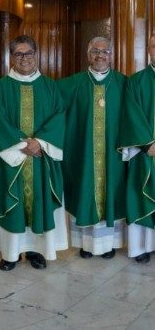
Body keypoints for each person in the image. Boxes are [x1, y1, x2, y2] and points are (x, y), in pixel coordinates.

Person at [0, 35, 67, 271]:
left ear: (36, 54)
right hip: (13, 159)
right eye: (19, 54)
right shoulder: (1, 87)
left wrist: (40, 143)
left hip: (41, 158)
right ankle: (10, 254)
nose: (24, 58)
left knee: (39, 203)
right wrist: (24, 145)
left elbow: (59, 116)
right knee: (13, 204)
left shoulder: (50, 86)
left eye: (29, 53)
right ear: (11, 57)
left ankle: (36, 251)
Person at [59, 36, 126, 260]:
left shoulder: (123, 83)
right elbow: (52, 105)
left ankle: (111, 244)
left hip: (113, 154)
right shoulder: (72, 83)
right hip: (83, 153)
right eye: (95, 51)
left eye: (105, 51)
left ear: (111, 55)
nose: (100, 55)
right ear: (88, 55)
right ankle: (85, 244)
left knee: (112, 193)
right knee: (84, 189)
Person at [120, 34, 155, 264]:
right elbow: (131, 115)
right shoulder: (136, 81)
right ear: (149, 49)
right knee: (141, 196)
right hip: (146, 152)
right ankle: (142, 246)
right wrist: (147, 143)